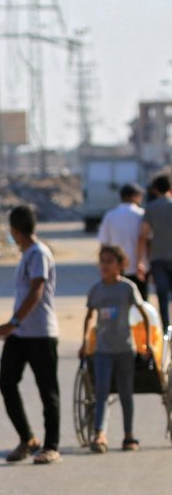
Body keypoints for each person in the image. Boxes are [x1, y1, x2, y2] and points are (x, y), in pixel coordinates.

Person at [0, 204, 61, 465]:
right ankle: (27, 438)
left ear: (15, 231)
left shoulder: (39, 254)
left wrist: (12, 322)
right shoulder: (27, 254)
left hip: (41, 333)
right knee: (6, 381)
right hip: (21, 335)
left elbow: (36, 291)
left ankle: (51, 445)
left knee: (47, 390)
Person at [79, 245, 151, 453]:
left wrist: (145, 343)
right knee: (101, 392)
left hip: (125, 350)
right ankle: (100, 434)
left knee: (126, 393)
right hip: (103, 351)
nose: (105, 265)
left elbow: (143, 313)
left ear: (120, 265)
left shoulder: (127, 288)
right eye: (103, 261)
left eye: (110, 261)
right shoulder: (96, 290)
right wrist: (85, 343)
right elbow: (89, 316)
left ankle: (129, 435)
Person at [97, 182, 147, 299]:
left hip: (116, 267)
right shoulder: (141, 215)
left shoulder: (110, 216)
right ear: (134, 197)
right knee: (140, 302)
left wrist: (103, 264)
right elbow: (147, 240)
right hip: (138, 266)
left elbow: (104, 244)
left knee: (119, 301)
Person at [137, 173, 172, 331]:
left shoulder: (150, 209)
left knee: (162, 296)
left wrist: (140, 260)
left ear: (155, 189)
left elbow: (143, 236)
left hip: (158, 258)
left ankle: (166, 328)